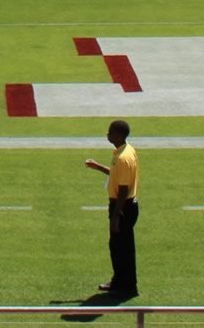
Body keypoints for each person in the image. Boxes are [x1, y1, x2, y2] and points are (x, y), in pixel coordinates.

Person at [83, 119, 140, 301]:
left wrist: (116, 215)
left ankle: (127, 287)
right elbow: (117, 176)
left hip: (122, 207)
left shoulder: (123, 157)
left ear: (119, 135)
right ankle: (118, 281)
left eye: (110, 132)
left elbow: (123, 189)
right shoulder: (124, 151)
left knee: (123, 248)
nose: (107, 135)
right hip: (123, 206)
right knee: (117, 246)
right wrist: (98, 166)